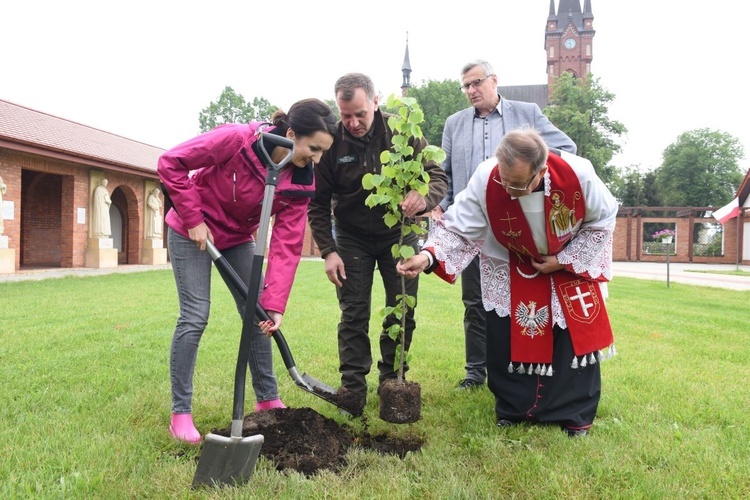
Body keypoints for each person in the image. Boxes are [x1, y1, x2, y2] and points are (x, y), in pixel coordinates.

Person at [398, 128, 617, 437]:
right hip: (511, 262)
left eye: (518, 185)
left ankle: (573, 413)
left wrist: (564, 260)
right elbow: (460, 227)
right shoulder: (488, 177)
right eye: (505, 181)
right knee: (507, 338)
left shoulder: (578, 174)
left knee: (568, 342)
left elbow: (603, 220)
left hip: (564, 264)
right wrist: (428, 257)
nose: (509, 192)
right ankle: (515, 408)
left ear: (540, 171)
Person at [158, 98, 337, 443]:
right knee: (195, 315)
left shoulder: (300, 181)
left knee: (258, 315)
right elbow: (171, 163)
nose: (315, 160)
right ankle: (181, 412)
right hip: (191, 231)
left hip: (237, 238)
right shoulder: (238, 139)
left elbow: (287, 245)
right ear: (290, 134)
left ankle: (267, 399)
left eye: (322, 153)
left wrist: (274, 304)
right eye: (313, 149)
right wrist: (193, 219)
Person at [308, 73, 448, 416]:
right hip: (351, 237)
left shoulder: (402, 132)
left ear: (375, 102)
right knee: (353, 313)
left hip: (399, 236)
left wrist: (424, 196)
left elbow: (438, 177)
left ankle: (392, 383)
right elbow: (317, 202)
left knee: (402, 308)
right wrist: (328, 251)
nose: (353, 123)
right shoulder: (332, 142)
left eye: (360, 114)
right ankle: (352, 390)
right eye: (345, 116)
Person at [436, 59, 577, 391]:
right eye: (466, 86)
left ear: (494, 81)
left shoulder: (526, 113)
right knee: (474, 302)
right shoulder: (454, 124)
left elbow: (567, 150)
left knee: (520, 297)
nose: (471, 90)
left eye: (477, 83)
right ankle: (475, 372)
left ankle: (518, 367)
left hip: (521, 226)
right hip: (473, 226)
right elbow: (444, 176)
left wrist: (533, 174)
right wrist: (438, 207)